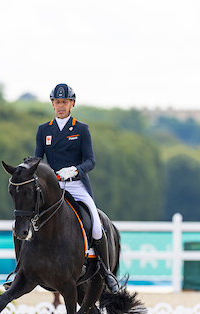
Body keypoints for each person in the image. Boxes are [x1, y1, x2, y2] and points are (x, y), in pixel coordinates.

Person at [11, 83, 119, 294]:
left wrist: (75, 170)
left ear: (72, 104)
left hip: (76, 185)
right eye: (57, 102)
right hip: (52, 188)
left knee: (97, 225)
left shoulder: (81, 129)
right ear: (53, 104)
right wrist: (25, 168)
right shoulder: (44, 130)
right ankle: (19, 270)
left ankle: (106, 272)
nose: (61, 106)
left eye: (65, 102)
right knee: (20, 224)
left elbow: (90, 161)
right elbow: (37, 160)